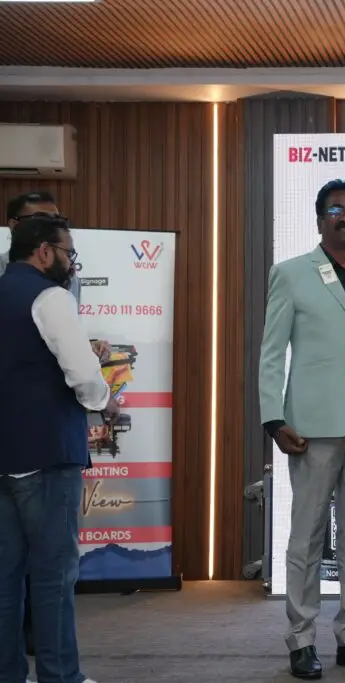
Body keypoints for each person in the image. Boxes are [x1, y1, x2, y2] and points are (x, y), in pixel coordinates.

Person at [259, 179, 345, 679]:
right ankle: (301, 639)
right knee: (308, 535)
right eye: (337, 209)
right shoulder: (291, 274)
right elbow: (272, 352)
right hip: (310, 426)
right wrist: (273, 417)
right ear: (320, 219)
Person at [0, 215, 115, 683]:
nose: (71, 264)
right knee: (52, 578)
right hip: (48, 455)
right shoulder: (51, 297)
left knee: (6, 579)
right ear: (44, 252)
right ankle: (60, 677)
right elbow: (85, 376)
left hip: (4, 457)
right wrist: (105, 402)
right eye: (68, 254)